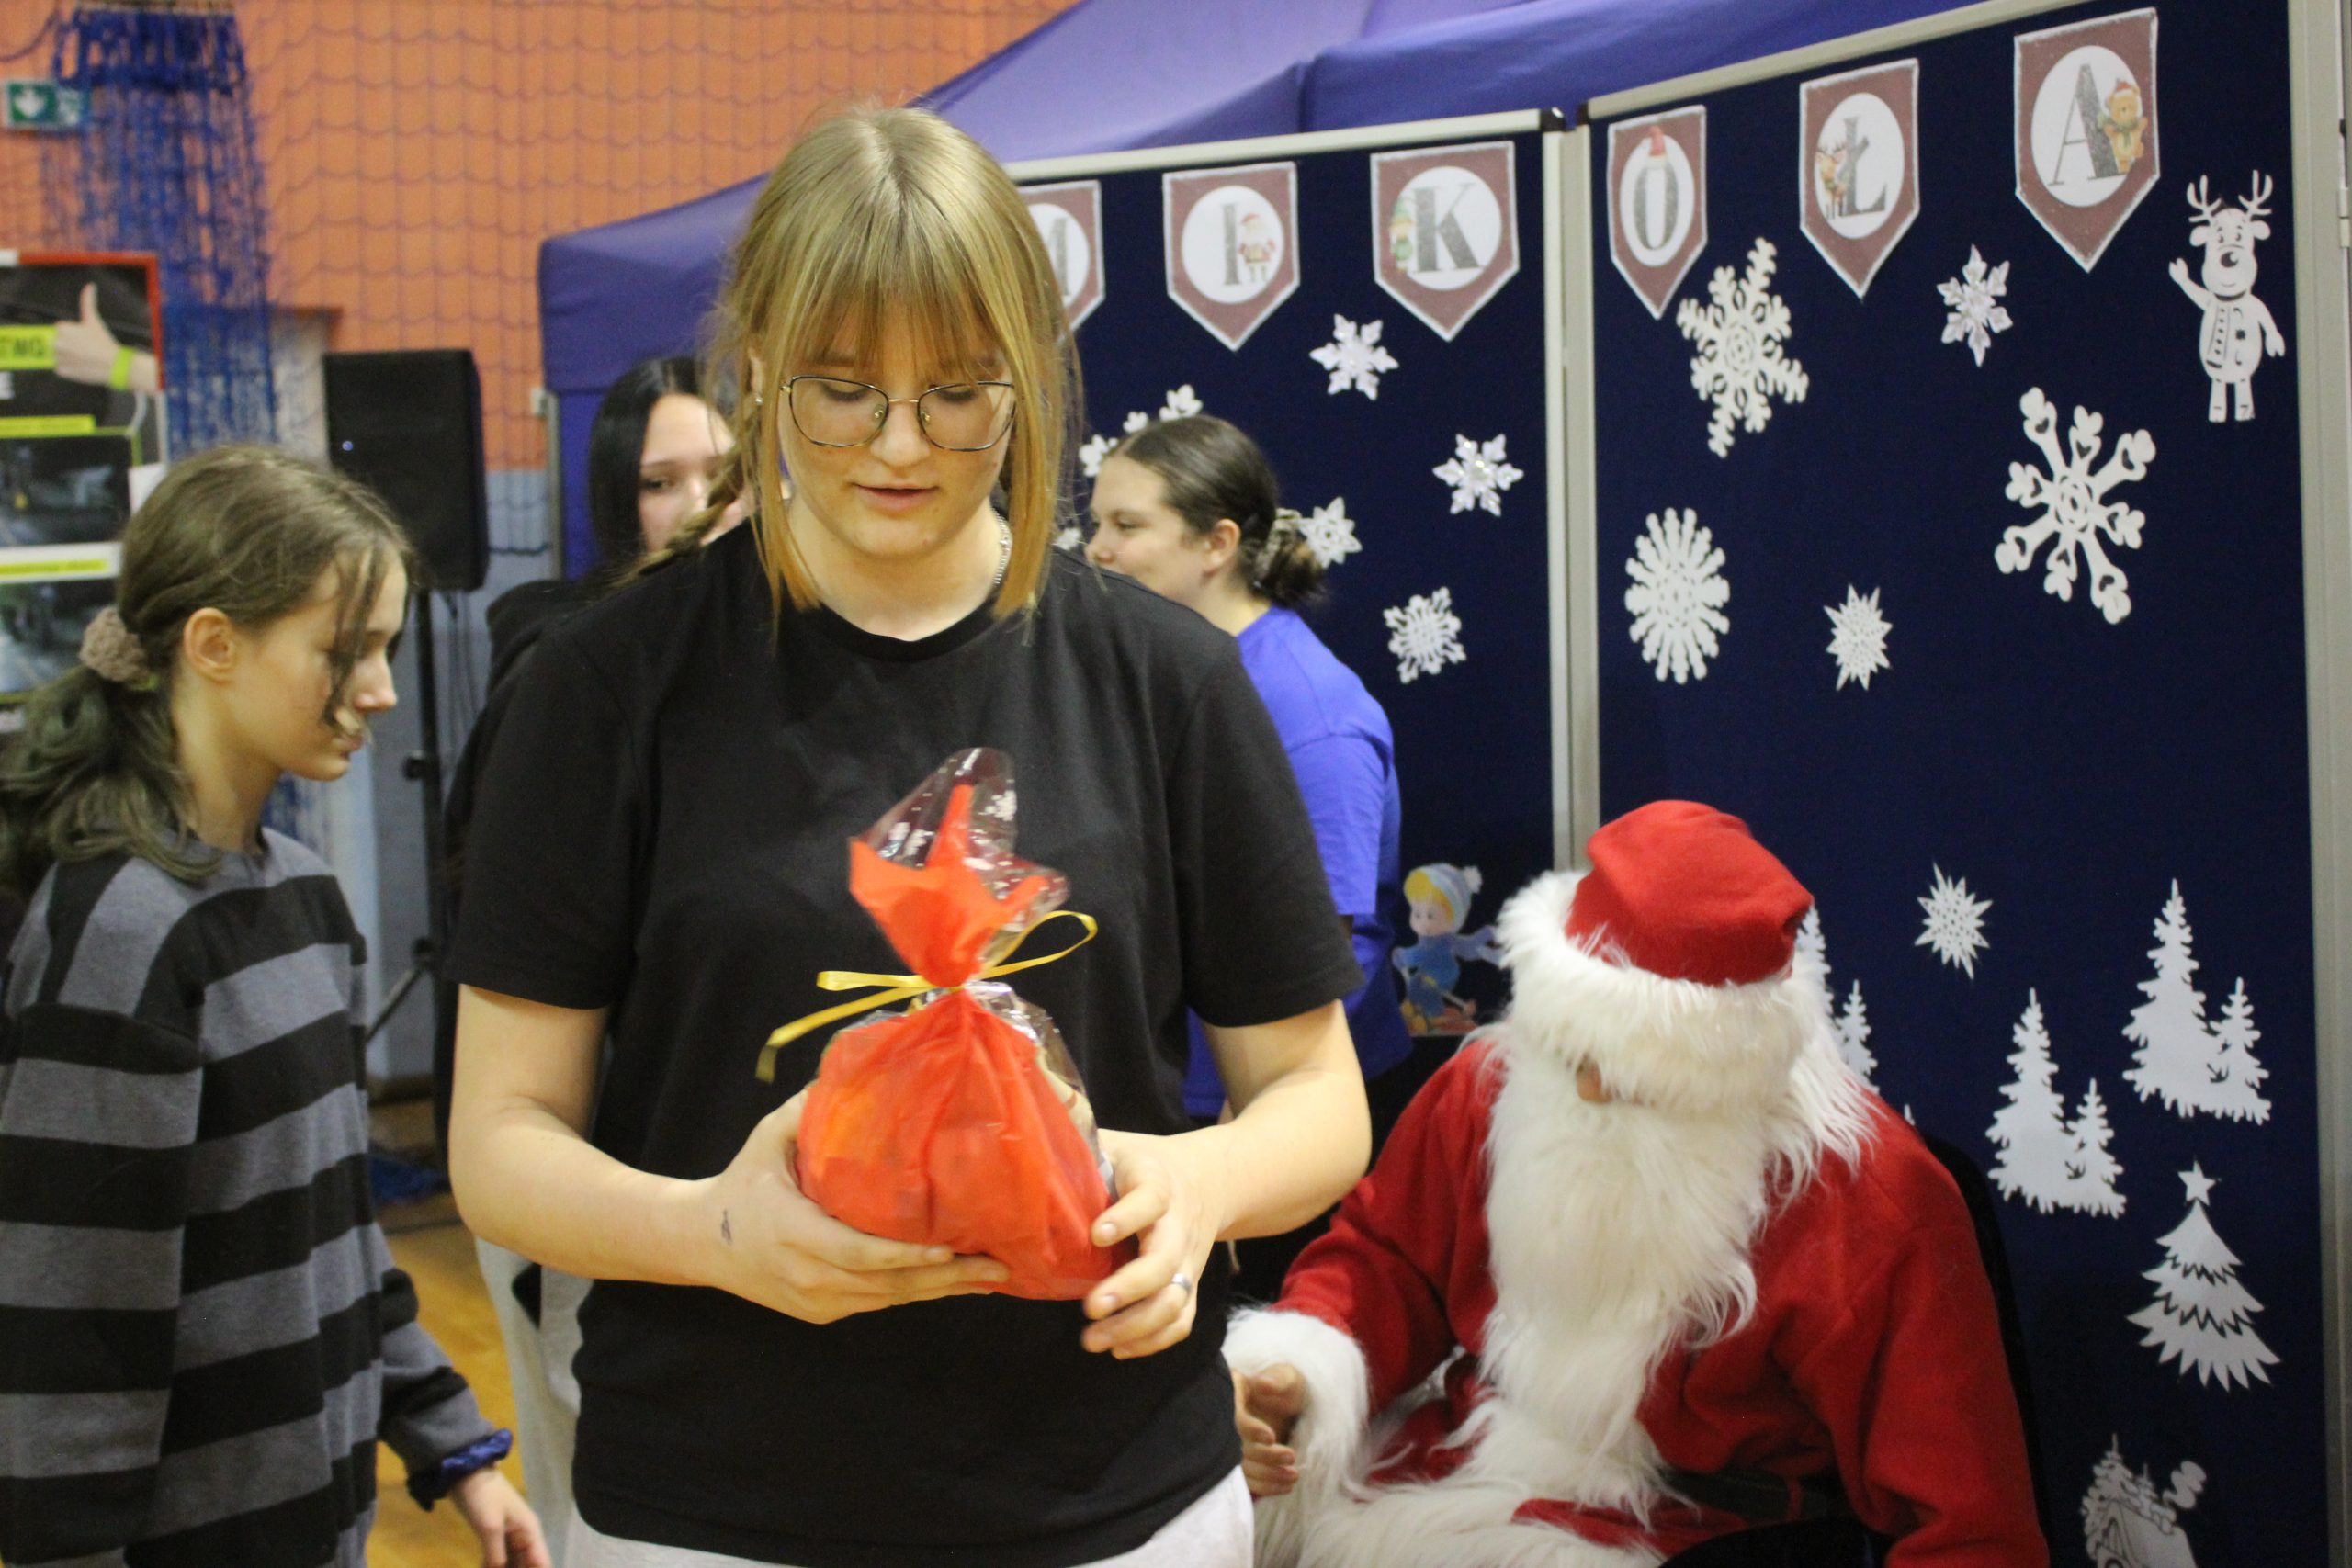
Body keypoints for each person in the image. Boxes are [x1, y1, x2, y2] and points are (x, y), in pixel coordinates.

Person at [444, 105, 1371, 1568]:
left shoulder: (1168, 680)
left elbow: (1315, 1092)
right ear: (757, 363)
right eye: (839, 389)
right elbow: (500, 1140)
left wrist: (1199, 1186)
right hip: (714, 1503)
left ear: (1029, 374)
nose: (897, 443)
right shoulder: (607, 685)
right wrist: (716, 1230)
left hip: (1111, 1492)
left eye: (957, 392)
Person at [1226, 801, 2048, 1567]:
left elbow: (1967, 1520)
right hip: (1455, 1462)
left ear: (1723, 1062)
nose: (1585, 1087)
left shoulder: (1869, 1202)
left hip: (1688, 1528)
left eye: (1628, 1070)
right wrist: (1303, 1371)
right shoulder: (1493, 1085)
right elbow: (1385, 1258)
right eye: (1570, 1047)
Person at [0, 445, 548, 1568]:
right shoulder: (122, 929)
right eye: (343, 651)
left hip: (318, 1526)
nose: (379, 690)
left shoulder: (303, 895)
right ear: (213, 644)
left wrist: (452, 1446)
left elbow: (331, 1228)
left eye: (385, 649)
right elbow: (73, 1325)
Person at [432, 355, 741, 1568]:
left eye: (720, 472)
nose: (699, 505)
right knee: (593, 1490)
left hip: (722, 1195)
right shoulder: (571, 674)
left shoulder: (757, 659)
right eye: (661, 483)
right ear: (618, 504)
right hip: (583, 1174)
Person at [1087, 414, 1414, 1296]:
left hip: (1273, 1127)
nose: (1098, 549)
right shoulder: (1159, 674)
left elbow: (1328, 947)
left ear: (1217, 544)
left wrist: (1250, 1146)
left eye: (1127, 525)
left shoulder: (1310, 712)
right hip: (1180, 1105)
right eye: (1095, 522)